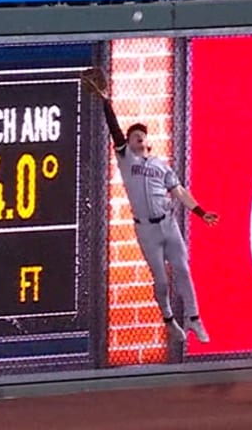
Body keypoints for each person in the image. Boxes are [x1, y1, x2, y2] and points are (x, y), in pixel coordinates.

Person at [82, 68, 217, 347]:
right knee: (161, 279)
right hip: (146, 229)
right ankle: (169, 320)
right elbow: (116, 131)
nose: (138, 139)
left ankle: (193, 318)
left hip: (168, 223)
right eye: (134, 137)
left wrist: (201, 212)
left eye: (142, 136)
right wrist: (106, 101)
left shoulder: (160, 166)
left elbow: (178, 190)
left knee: (183, 269)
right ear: (128, 145)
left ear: (148, 141)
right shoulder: (126, 161)